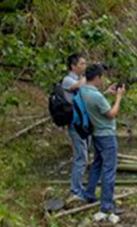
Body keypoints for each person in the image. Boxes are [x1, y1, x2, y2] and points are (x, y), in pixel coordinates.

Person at [80, 63, 125, 215]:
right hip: (106, 135)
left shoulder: (84, 90)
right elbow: (111, 113)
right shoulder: (96, 96)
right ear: (97, 77)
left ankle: (89, 193)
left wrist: (106, 93)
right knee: (109, 169)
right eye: (101, 77)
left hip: (96, 134)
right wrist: (119, 97)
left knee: (97, 165)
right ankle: (106, 204)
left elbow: (97, 103)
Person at [62, 53, 88, 202]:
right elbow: (77, 86)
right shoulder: (68, 80)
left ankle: (79, 188)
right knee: (80, 157)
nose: (84, 66)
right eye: (82, 64)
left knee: (83, 156)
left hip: (83, 124)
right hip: (74, 124)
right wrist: (90, 74)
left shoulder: (79, 80)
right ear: (73, 66)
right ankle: (75, 190)